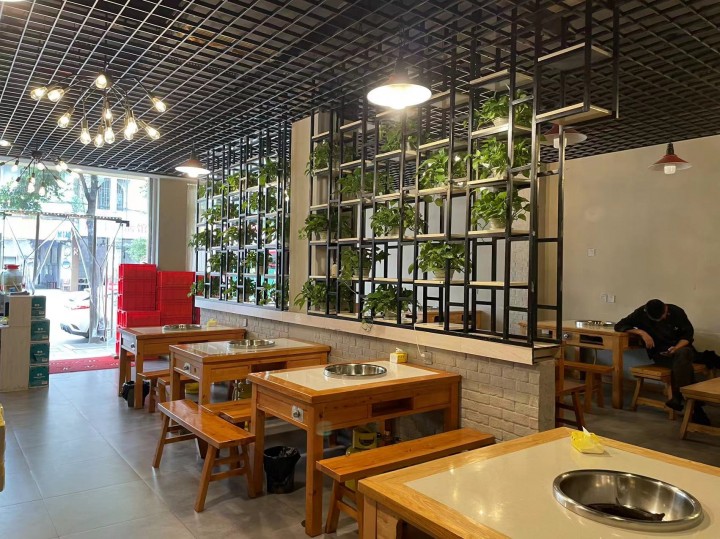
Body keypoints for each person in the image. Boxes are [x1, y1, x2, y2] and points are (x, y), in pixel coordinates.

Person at [615, 299, 710, 425]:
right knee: (684, 366)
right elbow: (619, 325)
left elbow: (687, 335)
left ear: (665, 307)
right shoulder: (641, 313)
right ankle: (692, 406)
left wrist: (676, 348)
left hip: (681, 348)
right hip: (661, 353)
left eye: (664, 315)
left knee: (683, 355)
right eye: (659, 319)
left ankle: (679, 398)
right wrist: (641, 332)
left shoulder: (677, 312)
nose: (664, 318)